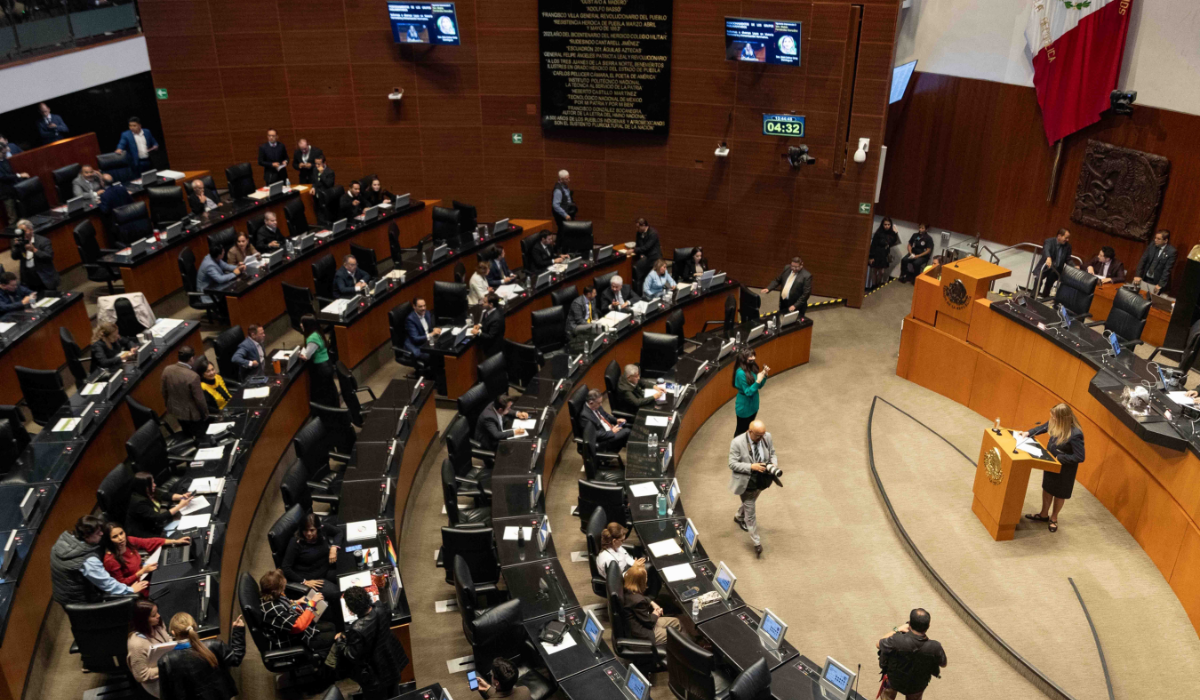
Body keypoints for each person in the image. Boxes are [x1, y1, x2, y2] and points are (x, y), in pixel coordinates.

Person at [50, 515, 149, 606]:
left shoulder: (65, 539)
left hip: (62, 592)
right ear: (86, 536)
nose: (101, 534)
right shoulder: (88, 561)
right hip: (77, 601)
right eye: (97, 533)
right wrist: (130, 590)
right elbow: (108, 585)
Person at [336, 585, 410, 700]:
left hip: (376, 672)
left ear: (352, 608)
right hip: (391, 658)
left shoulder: (357, 628)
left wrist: (340, 640)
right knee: (394, 692)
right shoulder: (382, 608)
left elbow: (352, 655)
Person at [1020, 403, 1085, 533]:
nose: (1051, 419)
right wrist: (1028, 433)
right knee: (1048, 488)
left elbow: (1080, 456)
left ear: (1062, 418)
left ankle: (1054, 518)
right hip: (1051, 463)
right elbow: (1044, 427)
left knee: (1060, 493)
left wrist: (1061, 458)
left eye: (1054, 417)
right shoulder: (1055, 423)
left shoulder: (1075, 434)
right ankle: (1043, 514)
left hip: (1065, 469)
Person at [157, 611, 246, 700]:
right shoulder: (214, 645)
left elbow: (166, 695)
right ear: (194, 627)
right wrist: (238, 631)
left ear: (173, 632)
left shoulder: (166, 660)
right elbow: (236, 659)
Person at [728, 419, 777, 557]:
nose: (762, 438)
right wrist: (751, 466)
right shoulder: (737, 442)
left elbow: (772, 453)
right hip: (747, 481)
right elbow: (732, 464)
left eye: (763, 435)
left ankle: (738, 516)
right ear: (750, 432)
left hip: (762, 479)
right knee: (750, 512)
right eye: (758, 436)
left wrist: (774, 464)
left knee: (751, 500)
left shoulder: (767, 436)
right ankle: (756, 542)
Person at [258, 569, 336, 653]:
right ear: (276, 591)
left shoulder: (272, 595)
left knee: (331, 626)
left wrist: (296, 602)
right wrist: (312, 603)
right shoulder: (274, 610)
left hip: (294, 626)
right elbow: (298, 626)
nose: (284, 589)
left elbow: (286, 605)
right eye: (283, 588)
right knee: (332, 636)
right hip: (294, 639)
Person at [877, 608, 947, 700]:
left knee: (887, 696)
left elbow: (878, 644)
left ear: (909, 623)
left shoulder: (897, 640)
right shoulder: (935, 647)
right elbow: (943, 664)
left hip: (894, 679)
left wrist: (897, 629)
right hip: (917, 684)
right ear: (928, 626)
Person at [101, 521, 190, 589]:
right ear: (109, 540)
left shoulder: (128, 540)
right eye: (115, 537)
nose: (121, 538)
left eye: (121, 533)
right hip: (137, 586)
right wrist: (141, 572)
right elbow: (120, 584)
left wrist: (175, 541)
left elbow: (149, 542)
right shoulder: (110, 560)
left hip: (145, 574)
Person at [281, 513, 339, 613]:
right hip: (313, 578)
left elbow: (339, 532)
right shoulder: (295, 542)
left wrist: (334, 547)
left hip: (326, 567)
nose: (308, 533)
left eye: (312, 530)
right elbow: (285, 567)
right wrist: (304, 581)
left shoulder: (323, 529)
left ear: (318, 528)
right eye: (305, 530)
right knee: (337, 592)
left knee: (346, 575)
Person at [621, 562, 681, 644]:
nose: (646, 579)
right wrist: (656, 613)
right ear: (641, 581)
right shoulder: (638, 601)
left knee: (676, 622)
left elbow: (642, 598)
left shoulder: (628, 589)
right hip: (642, 633)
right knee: (675, 636)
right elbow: (649, 622)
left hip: (642, 622)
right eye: (645, 577)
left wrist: (652, 602)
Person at [127, 599, 172, 697]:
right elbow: (142, 676)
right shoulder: (136, 644)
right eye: (154, 615)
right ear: (143, 620)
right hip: (155, 681)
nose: (158, 616)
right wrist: (168, 667)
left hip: (168, 668)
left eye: (157, 612)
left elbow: (167, 638)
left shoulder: (158, 624)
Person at [127, 471, 194, 538]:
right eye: (152, 483)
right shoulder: (139, 503)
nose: (154, 485)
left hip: (159, 523)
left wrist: (182, 497)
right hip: (148, 532)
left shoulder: (149, 490)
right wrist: (180, 506)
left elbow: (165, 495)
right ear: (144, 487)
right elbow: (158, 518)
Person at [162, 346, 209, 440]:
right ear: (191, 358)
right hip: (192, 414)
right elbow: (200, 400)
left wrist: (169, 405)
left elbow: (164, 391)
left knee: (187, 433)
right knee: (201, 437)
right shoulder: (193, 376)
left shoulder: (167, 369)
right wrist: (205, 414)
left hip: (176, 410)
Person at [12, 219, 60, 292]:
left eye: (24, 231)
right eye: (21, 232)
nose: (23, 234)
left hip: (44, 278)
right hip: (28, 279)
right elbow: (14, 257)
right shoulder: (20, 242)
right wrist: (17, 246)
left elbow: (49, 256)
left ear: (31, 230)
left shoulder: (43, 241)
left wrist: (34, 250)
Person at [300, 314, 338, 405]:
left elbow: (307, 356)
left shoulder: (312, 338)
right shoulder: (317, 332)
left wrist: (299, 355)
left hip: (321, 368)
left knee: (324, 392)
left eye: (302, 323)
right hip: (327, 364)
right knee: (330, 389)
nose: (300, 325)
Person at [733, 349, 768, 436]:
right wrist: (758, 381)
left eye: (753, 356)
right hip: (744, 406)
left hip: (754, 405)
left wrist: (764, 375)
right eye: (750, 357)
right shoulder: (740, 373)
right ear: (743, 359)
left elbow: (758, 386)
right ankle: (736, 445)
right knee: (741, 431)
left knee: (749, 429)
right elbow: (748, 392)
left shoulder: (752, 368)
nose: (753, 359)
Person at [1133, 229, 1177, 295]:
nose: (1155, 240)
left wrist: (1160, 284)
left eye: (1158, 239)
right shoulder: (1152, 245)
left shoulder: (1172, 252)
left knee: (1150, 299)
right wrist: (1138, 275)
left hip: (1157, 281)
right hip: (1145, 277)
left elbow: (1167, 270)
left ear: (1165, 240)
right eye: (1155, 238)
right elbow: (1143, 260)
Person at [404, 297, 442, 362]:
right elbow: (415, 339)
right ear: (414, 307)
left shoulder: (427, 313)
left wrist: (434, 329)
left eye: (424, 305)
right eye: (420, 306)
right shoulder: (410, 320)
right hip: (416, 346)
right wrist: (432, 333)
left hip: (426, 341)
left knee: (441, 348)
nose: (423, 308)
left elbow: (428, 328)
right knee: (433, 355)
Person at [1037, 228, 1072, 297]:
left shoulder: (1068, 246)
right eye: (1066, 238)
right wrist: (1048, 257)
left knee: (1049, 285)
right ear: (1059, 236)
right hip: (1046, 266)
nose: (1067, 240)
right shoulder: (1049, 241)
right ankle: (1033, 297)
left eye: (1068, 238)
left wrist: (1074, 266)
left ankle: (1044, 298)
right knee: (1038, 279)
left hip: (1056, 270)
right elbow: (1046, 249)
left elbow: (1068, 259)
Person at [0, 144, 30, 222]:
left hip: (14, 188)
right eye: (3, 153)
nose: (5, 154)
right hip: (6, 192)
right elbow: (3, 177)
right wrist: (19, 175)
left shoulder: (4, 160)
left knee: (22, 211)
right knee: (13, 216)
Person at [868, 217, 898, 289]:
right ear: (882, 224)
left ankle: (878, 284)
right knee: (874, 270)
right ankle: (874, 285)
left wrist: (895, 233)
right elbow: (873, 245)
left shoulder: (891, 233)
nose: (887, 226)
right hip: (876, 253)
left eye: (888, 224)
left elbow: (893, 242)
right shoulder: (878, 233)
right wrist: (871, 257)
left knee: (881, 271)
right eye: (885, 224)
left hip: (884, 254)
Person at [472, 292, 505, 358]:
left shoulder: (496, 319)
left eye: (484, 302)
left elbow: (490, 337)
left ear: (491, 304)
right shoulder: (491, 310)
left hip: (493, 349)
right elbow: (487, 320)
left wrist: (478, 333)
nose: (482, 303)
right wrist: (480, 325)